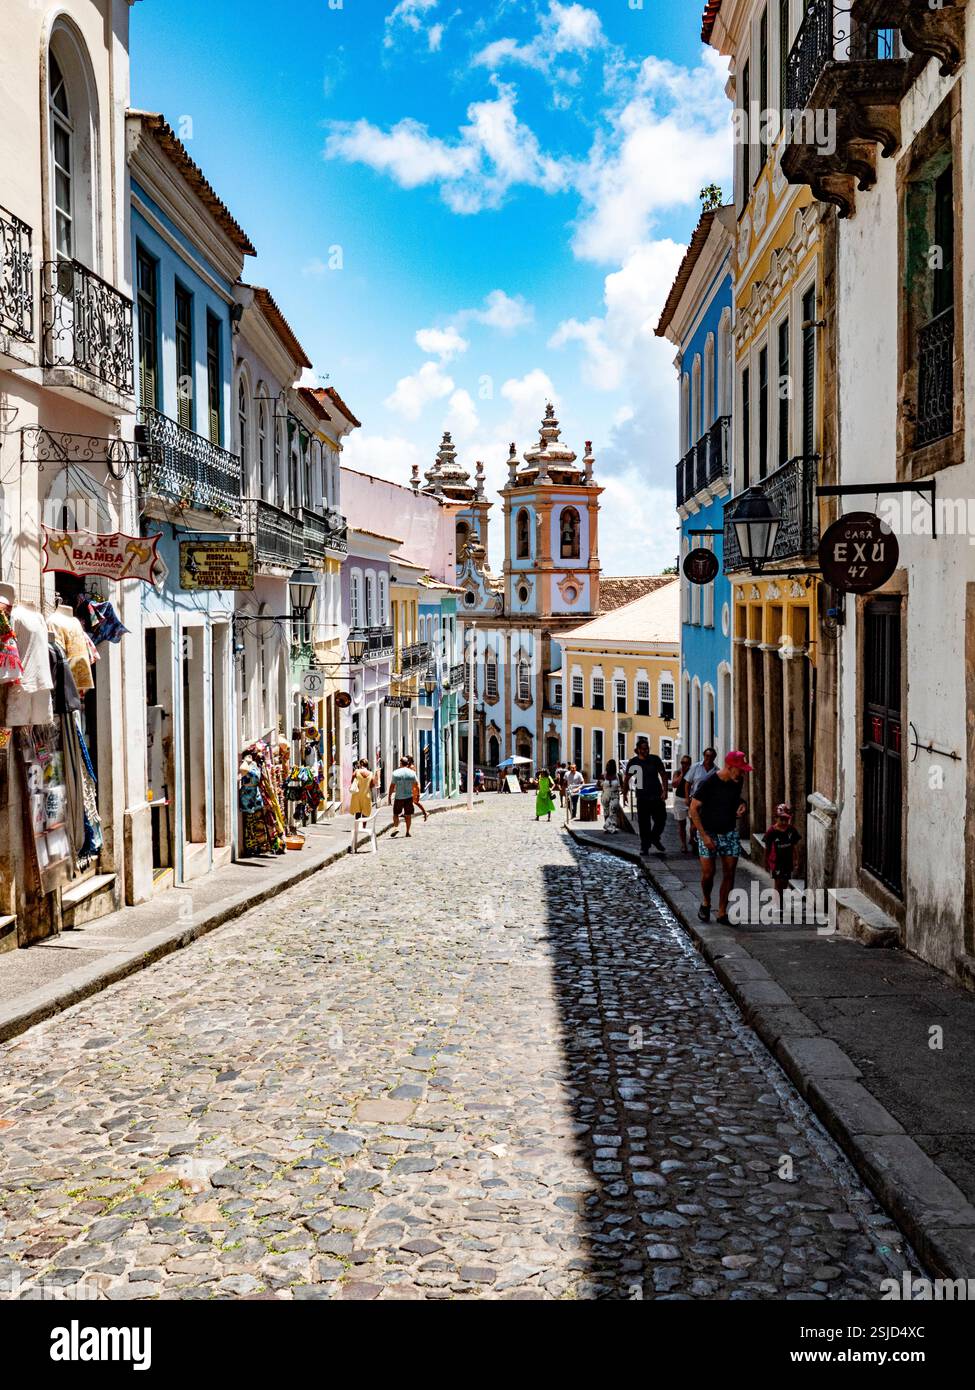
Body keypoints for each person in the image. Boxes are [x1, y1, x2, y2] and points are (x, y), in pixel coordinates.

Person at [689, 750, 752, 925]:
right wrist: (704, 836)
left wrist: (742, 805)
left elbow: (735, 799)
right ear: (730, 767)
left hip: (729, 831)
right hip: (708, 832)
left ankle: (722, 912)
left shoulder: (737, 780)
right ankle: (706, 902)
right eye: (740, 769)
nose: (743, 773)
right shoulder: (709, 782)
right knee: (708, 874)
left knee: (730, 872)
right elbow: (693, 808)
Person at [622, 737, 670, 856]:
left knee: (661, 819)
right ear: (638, 750)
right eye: (643, 749)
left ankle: (654, 837)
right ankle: (645, 846)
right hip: (642, 797)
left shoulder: (655, 759)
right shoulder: (633, 762)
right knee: (644, 824)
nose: (645, 751)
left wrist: (665, 791)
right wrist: (625, 794)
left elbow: (663, 775)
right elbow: (627, 779)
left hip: (656, 795)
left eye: (647, 748)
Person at [764, 803, 801, 910]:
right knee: (778, 882)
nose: (784, 822)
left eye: (786, 819)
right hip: (776, 861)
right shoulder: (771, 832)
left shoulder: (791, 830)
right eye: (782, 819)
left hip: (787, 860)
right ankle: (778, 906)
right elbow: (767, 848)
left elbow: (794, 846)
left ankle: (780, 900)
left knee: (785, 883)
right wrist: (766, 862)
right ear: (776, 818)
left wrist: (796, 859)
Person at [684, 747, 717, 852]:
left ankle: (699, 842)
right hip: (695, 800)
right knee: (694, 825)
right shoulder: (696, 767)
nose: (709, 758)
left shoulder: (716, 771)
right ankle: (693, 841)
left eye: (711, 756)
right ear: (704, 756)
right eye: (707, 756)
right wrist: (687, 797)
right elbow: (688, 783)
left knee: (703, 823)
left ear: (714, 757)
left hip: (709, 803)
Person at [388, 756, 420, 837]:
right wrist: (418, 795)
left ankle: (396, 827)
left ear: (401, 763)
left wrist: (389, 796)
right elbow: (417, 785)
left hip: (399, 797)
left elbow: (392, 786)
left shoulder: (396, 773)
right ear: (408, 763)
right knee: (408, 815)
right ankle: (408, 832)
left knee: (396, 814)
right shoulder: (412, 773)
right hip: (409, 797)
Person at [671, 754, 693, 853]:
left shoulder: (693, 772)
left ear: (690, 763)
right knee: (681, 824)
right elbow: (674, 784)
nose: (684, 765)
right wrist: (682, 775)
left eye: (686, 763)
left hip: (691, 800)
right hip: (680, 799)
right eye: (682, 763)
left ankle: (692, 839)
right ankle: (683, 844)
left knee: (694, 823)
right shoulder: (678, 772)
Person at [600, 759, 622, 834]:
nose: (609, 766)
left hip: (614, 795)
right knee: (606, 812)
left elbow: (621, 785)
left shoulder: (618, 775)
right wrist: (601, 784)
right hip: (605, 794)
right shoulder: (603, 775)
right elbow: (598, 785)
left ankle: (611, 827)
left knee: (613, 811)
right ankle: (608, 828)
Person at [405, 756, 430, 822]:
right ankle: (424, 812)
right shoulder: (408, 767)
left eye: (407, 760)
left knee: (415, 801)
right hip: (411, 786)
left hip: (413, 787)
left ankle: (425, 812)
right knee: (411, 801)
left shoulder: (411, 767)